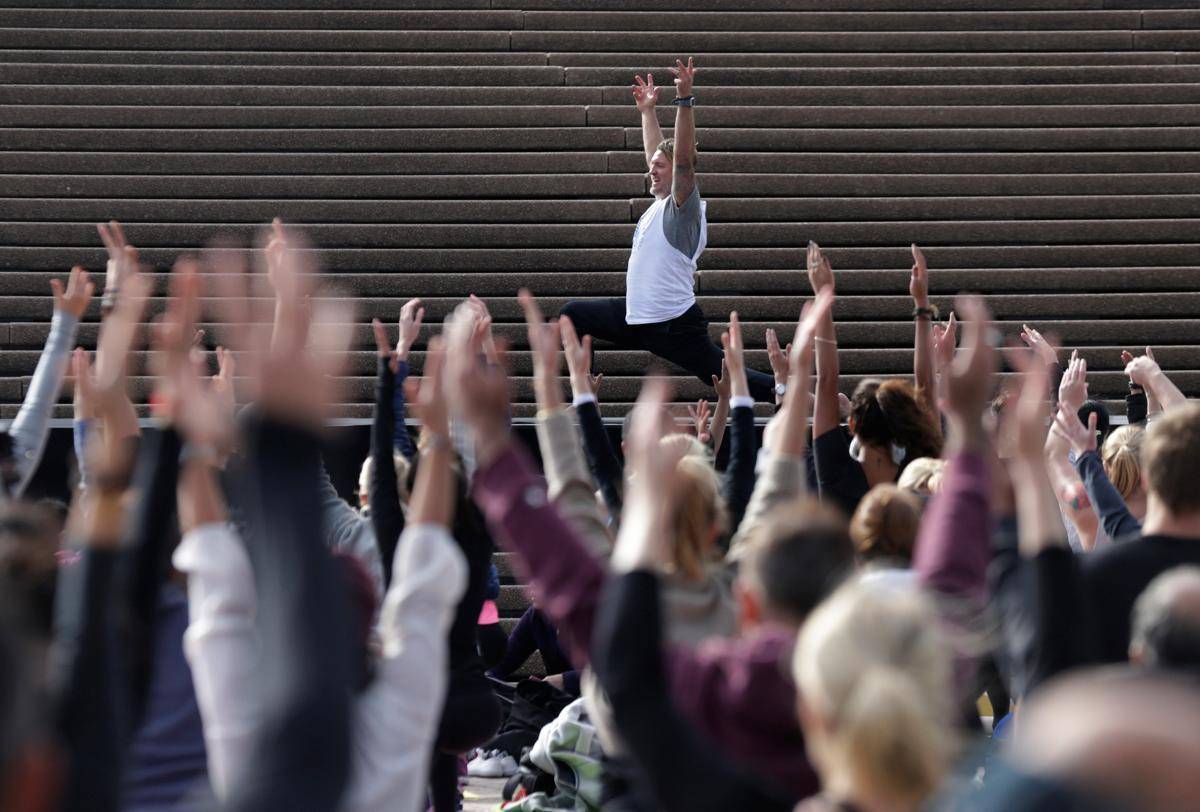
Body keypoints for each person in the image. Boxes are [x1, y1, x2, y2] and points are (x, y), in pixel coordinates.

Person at [559, 58, 776, 402]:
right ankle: (583, 395)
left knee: (719, 374)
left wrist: (684, 100)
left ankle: (786, 391)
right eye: (652, 168)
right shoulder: (658, 205)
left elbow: (683, 160)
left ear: (676, 176)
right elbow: (657, 153)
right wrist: (647, 112)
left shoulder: (682, 208)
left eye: (660, 168)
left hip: (672, 324)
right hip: (637, 317)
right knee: (573, 315)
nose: (652, 172)